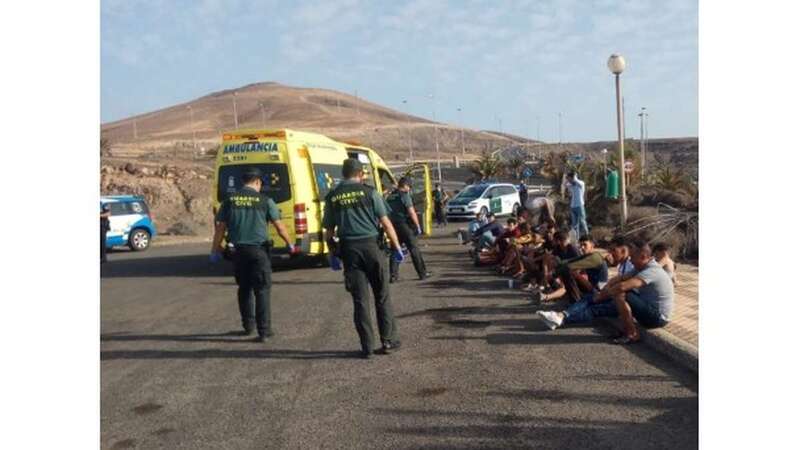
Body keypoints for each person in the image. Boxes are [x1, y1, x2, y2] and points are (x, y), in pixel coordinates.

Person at [323, 158, 405, 359]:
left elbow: (328, 231)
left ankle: (367, 347)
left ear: (344, 174)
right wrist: (396, 247)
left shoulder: (333, 197)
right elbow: (386, 223)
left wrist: (332, 252)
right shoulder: (370, 193)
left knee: (360, 300)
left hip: (350, 250)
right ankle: (388, 341)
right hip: (371, 248)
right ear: (360, 174)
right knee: (382, 296)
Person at [210, 167, 296, 342]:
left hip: (238, 252)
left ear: (244, 182)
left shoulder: (230, 201)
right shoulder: (265, 201)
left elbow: (220, 228)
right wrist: (290, 244)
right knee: (262, 289)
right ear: (257, 182)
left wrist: (215, 249)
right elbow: (279, 227)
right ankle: (264, 331)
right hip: (259, 252)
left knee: (244, 288)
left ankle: (248, 326)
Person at [536, 240, 674, 345]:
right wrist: (603, 291)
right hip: (645, 307)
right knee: (597, 304)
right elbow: (618, 278)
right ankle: (561, 318)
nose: (631, 259)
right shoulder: (642, 266)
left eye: (633, 256)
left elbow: (623, 286)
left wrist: (601, 295)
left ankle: (632, 333)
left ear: (644, 256)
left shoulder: (652, 270)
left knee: (620, 293)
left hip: (658, 318)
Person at [386, 177, 432, 282]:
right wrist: (417, 226)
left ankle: (393, 275)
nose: (409, 188)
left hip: (393, 226)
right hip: (405, 225)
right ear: (405, 186)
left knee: (395, 250)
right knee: (414, 249)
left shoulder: (390, 196)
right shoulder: (405, 196)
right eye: (409, 186)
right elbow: (411, 212)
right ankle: (422, 273)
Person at [565, 171, 589, 238]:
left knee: (582, 221)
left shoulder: (581, 183)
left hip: (580, 205)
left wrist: (574, 176)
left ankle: (587, 236)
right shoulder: (570, 185)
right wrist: (568, 180)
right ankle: (576, 238)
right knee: (574, 224)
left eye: (569, 178)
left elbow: (576, 181)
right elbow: (566, 185)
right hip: (573, 206)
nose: (568, 180)